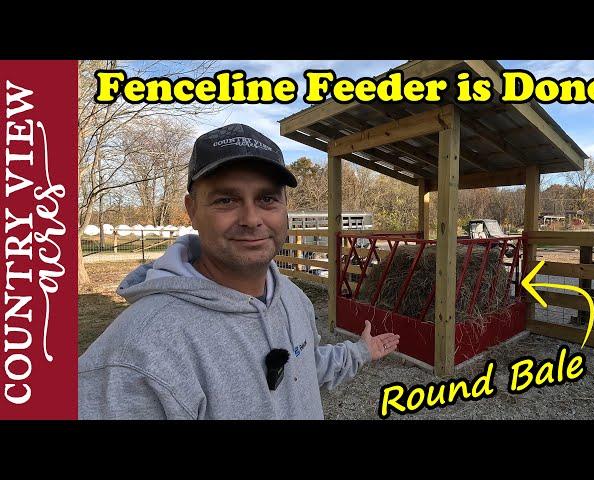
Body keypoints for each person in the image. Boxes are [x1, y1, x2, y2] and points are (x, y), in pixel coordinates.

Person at [78, 123, 400, 419]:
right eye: (226, 200)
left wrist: (360, 351)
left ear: (285, 207)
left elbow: (302, 370)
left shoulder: (292, 297)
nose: (251, 218)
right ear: (191, 210)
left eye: (267, 199)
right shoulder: (137, 353)